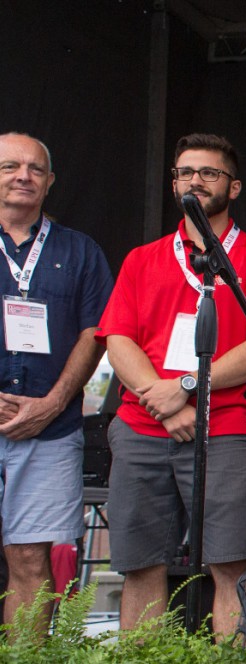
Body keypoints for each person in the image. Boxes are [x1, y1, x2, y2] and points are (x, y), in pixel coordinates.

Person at [99, 133, 246, 638]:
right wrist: (163, 403)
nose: (195, 181)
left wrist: (186, 386)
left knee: (229, 564)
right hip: (142, 428)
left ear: (235, 186)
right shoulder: (143, 259)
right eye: (185, 172)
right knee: (141, 564)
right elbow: (117, 339)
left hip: (224, 429)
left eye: (209, 173)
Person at [0, 133, 112, 635]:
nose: (23, 175)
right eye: (10, 166)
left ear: (49, 183)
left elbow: (97, 331)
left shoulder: (81, 251)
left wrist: (54, 402)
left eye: (35, 169)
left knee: (29, 560)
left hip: (49, 428)